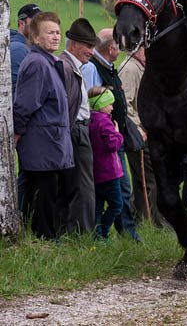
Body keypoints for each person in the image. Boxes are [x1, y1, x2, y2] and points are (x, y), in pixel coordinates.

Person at [13, 12, 74, 240]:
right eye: (50, 33)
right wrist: (17, 133)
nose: (56, 37)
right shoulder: (37, 63)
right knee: (44, 196)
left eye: (58, 32)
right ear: (36, 38)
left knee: (53, 193)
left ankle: (47, 236)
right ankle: (44, 239)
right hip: (41, 144)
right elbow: (25, 105)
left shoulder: (49, 62)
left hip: (52, 143)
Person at [82, 28, 142, 242]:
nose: (121, 49)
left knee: (119, 189)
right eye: (118, 45)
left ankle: (119, 231)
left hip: (114, 135)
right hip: (106, 141)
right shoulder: (92, 68)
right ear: (111, 47)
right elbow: (91, 100)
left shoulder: (107, 67)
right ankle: (119, 231)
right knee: (120, 190)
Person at [60, 18, 100, 234]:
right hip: (75, 130)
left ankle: (76, 230)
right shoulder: (66, 67)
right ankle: (83, 233)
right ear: (74, 44)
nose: (92, 52)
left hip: (79, 129)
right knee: (83, 185)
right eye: (88, 46)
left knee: (79, 183)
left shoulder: (73, 66)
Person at [119, 46, 161, 225]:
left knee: (149, 177)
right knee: (147, 178)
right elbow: (126, 104)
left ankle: (144, 217)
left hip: (148, 131)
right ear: (136, 50)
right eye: (145, 49)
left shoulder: (141, 67)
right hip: (139, 134)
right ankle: (151, 220)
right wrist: (139, 130)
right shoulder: (129, 69)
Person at [11, 2, 41, 216]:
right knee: (26, 176)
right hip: (21, 126)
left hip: (24, 124)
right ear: (22, 24)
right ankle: (21, 218)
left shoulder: (24, 49)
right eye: (34, 22)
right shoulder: (20, 50)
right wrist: (18, 128)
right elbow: (18, 94)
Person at [88, 86, 125, 240]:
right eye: (110, 104)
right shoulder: (105, 123)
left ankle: (97, 235)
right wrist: (117, 133)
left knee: (97, 206)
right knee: (117, 205)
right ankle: (103, 231)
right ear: (101, 105)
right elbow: (112, 145)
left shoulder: (90, 120)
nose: (112, 107)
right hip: (110, 173)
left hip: (95, 172)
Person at [11, 3, 41, 94]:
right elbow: (15, 91)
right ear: (22, 23)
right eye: (35, 22)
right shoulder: (18, 49)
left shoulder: (31, 47)